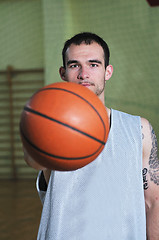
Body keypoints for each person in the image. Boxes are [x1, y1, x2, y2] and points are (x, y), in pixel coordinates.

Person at [23, 32, 159, 239]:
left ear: (108, 71)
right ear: (63, 73)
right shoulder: (48, 125)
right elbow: (33, 160)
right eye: (74, 65)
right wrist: (36, 128)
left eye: (93, 64)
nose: (84, 74)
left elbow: (153, 201)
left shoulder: (138, 129)